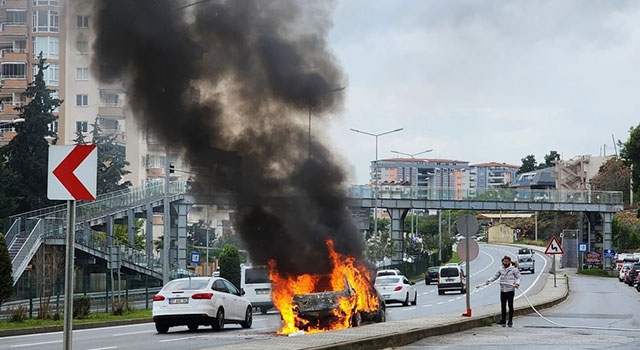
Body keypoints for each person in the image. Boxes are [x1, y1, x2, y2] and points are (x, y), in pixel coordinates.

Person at [486, 255, 521, 327]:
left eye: (506, 261)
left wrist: (517, 284)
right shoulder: (500, 268)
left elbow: (519, 277)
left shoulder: (513, 269)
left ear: (509, 262)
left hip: (510, 290)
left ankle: (510, 320)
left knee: (510, 305)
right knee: (503, 305)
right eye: (504, 261)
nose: (505, 263)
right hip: (503, 290)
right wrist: (489, 280)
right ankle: (503, 320)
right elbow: (496, 276)